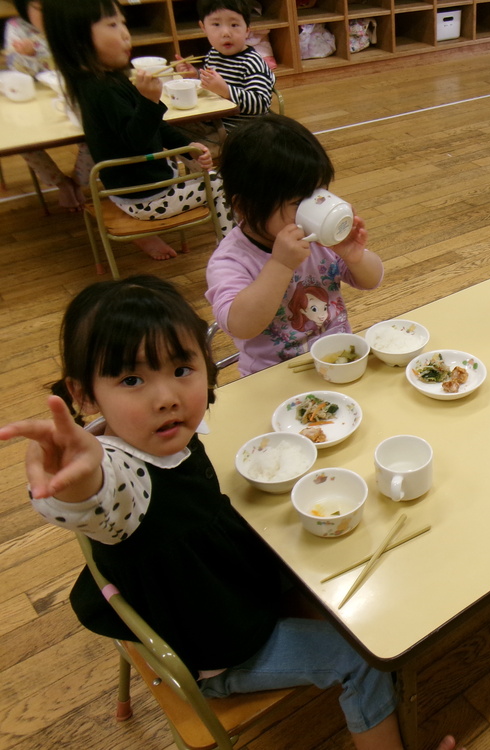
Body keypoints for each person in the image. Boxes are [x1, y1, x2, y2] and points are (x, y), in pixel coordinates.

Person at [0, 276, 463, 750]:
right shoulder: (118, 474)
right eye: (132, 380)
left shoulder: (166, 430)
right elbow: (100, 500)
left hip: (229, 580)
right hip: (221, 649)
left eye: (182, 369)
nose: (167, 397)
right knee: (363, 660)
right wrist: (77, 486)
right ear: (85, 396)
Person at [43, 0, 233, 261]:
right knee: (223, 183)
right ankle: (231, 253)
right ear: (78, 40)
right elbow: (138, 141)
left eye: (123, 22)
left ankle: (148, 234)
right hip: (147, 197)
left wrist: (189, 151)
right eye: (112, 24)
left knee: (206, 173)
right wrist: (149, 101)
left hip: (128, 192)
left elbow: (157, 126)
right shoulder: (101, 89)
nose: (124, 32)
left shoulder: (106, 78)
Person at [205, 114, 383, 376]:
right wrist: (279, 264)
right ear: (244, 207)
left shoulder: (317, 237)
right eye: (300, 202)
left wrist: (353, 256)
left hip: (337, 361)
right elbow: (240, 325)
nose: (316, 207)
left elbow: (372, 280)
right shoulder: (231, 260)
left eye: (320, 192)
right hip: (275, 376)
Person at [3, 0, 89, 211]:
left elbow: (78, 58)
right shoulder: (16, 27)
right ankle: (61, 183)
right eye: (38, 7)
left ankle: (78, 181)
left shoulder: (66, 21)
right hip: (34, 96)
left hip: (72, 91)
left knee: (94, 134)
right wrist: (27, 55)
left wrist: (40, 51)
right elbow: (16, 69)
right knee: (23, 142)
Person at [174, 0, 275, 133]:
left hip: (243, 130)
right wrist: (196, 75)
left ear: (247, 30)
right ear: (203, 27)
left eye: (234, 25)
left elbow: (260, 103)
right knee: (174, 128)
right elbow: (213, 83)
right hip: (216, 119)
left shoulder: (252, 62)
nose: (226, 33)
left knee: (184, 139)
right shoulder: (214, 54)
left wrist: (226, 91)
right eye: (216, 24)